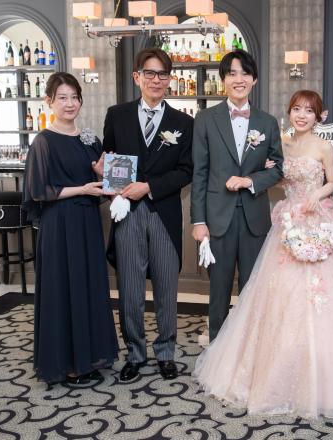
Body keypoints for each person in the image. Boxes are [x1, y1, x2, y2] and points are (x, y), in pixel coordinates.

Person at [193, 90, 333, 421]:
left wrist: (317, 194)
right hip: (289, 219)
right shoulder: (280, 143)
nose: (302, 115)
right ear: (289, 113)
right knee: (279, 297)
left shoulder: (324, 146)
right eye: (297, 109)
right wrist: (271, 176)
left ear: (318, 117)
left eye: (309, 111)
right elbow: (276, 179)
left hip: (319, 215)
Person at [103, 48, 194, 382]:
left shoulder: (184, 123)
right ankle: (135, 353)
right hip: (127, 213)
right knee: (129, 289)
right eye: (150, 73)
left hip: (164, 213)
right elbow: (109, 157)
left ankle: (166, 352)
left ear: (170, 79)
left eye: (162, 74)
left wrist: (149, 187)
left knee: (167, 288)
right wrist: (112, 184)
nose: (156, 80)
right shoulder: (117, 115)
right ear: (137, 76)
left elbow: (187, 170)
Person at [23, 72, 118, 385]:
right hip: (59, 225)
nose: (69, 103)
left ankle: (88, 356)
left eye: (74, 97)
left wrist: (103, 175)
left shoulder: (89, 139)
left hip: (87, 223)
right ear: (49, 101)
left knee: (87, 286)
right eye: (62, 98)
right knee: (63, 289)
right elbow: (39, 190)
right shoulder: (43, 141)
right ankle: (67, 363)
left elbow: (106, 186)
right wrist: (82, 189)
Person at [190, 50, 283, 341]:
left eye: (245, 73)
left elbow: (278, 168)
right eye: (232, 73)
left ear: (254, 80)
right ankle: (217, 348)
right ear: (223, 80)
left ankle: (249, 346)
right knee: (218, 290)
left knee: (252, 288)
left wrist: (250, 180)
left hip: (255, 217)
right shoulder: (205, 119)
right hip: (218, 219)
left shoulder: (267, 122)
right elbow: (199, 173)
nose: (238, 79)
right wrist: (198, 221)